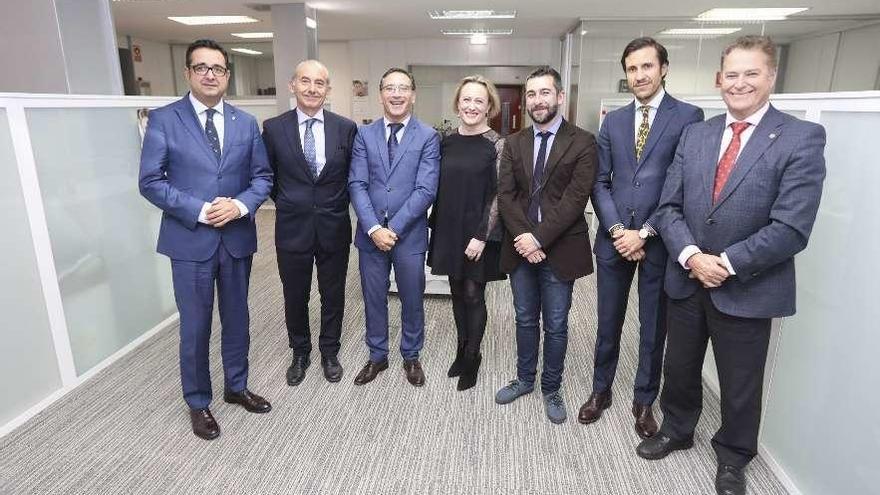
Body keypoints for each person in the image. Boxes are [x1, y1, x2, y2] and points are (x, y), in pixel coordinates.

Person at [636, 36, 826, 495]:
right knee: (679, 366)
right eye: (732, 75)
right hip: (687, 276)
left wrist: (725, 263)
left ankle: (734, 457)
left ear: (771, 77)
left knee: (740, 381)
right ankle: (678, 430)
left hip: (747, 285)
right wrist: (691, 257)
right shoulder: (697, 134)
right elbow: (669, 206)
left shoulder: (801, 137)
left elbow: (792, 227)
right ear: (719, 79)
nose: (739, 84)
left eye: (751, 73)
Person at [138, 39, 273, 441]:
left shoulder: (245, 123)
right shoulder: (164, 119)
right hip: (189, 240)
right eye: (202, 68)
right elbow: (150, 181)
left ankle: (236, 386)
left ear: (227, 75)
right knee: (195, 326)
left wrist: (240, 206)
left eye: (217, 68)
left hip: (235, 238)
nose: (210, 74)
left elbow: (262, 178)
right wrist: (199, 209)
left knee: (238, 319)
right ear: (188, 74)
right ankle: (198, 401)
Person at [579, 38, 704, 438]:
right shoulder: (613, 121)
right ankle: (601, 390)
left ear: (664, 68)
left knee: (654, 327)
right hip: (614, 240)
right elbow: (600, 181)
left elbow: (682, 182)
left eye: (647, 66)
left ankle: (644, 399)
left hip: (660, 241)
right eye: (632, 69)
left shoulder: (688, 116)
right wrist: (617, 230)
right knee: (607, 321)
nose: (639, 76)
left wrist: (646, 232)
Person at [494, 66, 597, 424]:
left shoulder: (582, 141)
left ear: (559, 97)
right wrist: (525, 239)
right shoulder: (514, 142)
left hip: (560, 248)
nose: (538, 101)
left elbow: (574, 199)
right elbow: (506, 196)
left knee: (555, 324)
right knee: (524, 318)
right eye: (532, 95)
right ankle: (524, 379)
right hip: (521, 246)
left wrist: (538, 238)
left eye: (544, 93)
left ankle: (551, 388)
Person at [262, 60, 358, 386]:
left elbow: (351, 178)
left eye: (320, 83)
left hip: (334, 226)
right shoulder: (274, 128)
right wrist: (292, 202)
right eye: (305, 81)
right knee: (295, 294)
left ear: (328, 90)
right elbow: (268, 178)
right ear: (293, 85)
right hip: (292, 228)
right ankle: (300, 351)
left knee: (333, 294)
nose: (312, 88)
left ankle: (330, 351)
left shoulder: (346, 128)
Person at [348, 67, 440, 387]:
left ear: (413, 95)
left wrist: (394, 228)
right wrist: (374, 228)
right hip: (370, 234)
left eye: (403, 88)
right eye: (390, 88)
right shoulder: (364, 134)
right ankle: (377, 355)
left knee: (412, 296)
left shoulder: (428, 136)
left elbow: (426, 189)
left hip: (409, 234)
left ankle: (411, 355)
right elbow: (357, 184)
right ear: (381, 94)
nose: (397, 94)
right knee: (374, 296)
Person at [427, 75, 506, 391]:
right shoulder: (444, 141)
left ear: (489, 107)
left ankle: (473, 355)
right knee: (456, 291)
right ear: (457, 104)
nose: (472, 106)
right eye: (466, 100)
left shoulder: (498, 144)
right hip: (448, 227)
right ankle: (461, 349)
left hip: (479, 231)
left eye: (479, 101)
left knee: (474, 293)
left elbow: (501, 194)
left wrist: (481, 235)